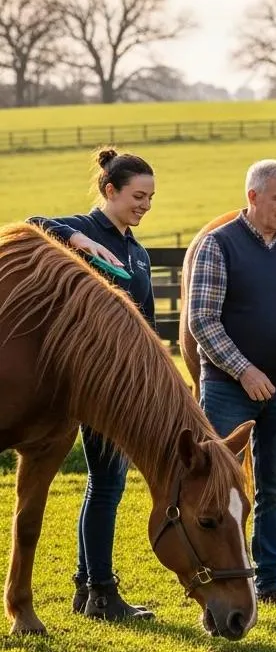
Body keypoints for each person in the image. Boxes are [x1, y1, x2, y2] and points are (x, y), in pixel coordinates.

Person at [187, 159, 276, 608]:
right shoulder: (218, 246)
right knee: (219, 487)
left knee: (274, 485)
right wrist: (244, 370)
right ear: (253, 197)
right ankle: (221, 576)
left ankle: (271, 581)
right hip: (228, 387)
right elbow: (202, 322)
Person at [28, 147, 158, 622]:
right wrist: (82, 244)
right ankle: (100, 591)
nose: (144, 205)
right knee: (106, 484)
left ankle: (89, 589)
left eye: (149, 198)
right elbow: (32, 222)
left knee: (107, 482)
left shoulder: (139, 255)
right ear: (110, 191)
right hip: (85, 380)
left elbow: (147, 322)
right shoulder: (80, 230)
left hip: (124, 385)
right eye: (137, 196)